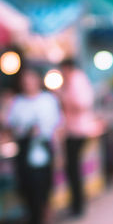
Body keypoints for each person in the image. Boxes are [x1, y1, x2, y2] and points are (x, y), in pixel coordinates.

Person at [6, 66, 61, 224]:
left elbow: (57, 128)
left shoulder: (48, 100)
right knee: (27, 189)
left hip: (44, 150)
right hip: (24, 152)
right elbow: (10, 126)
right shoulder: (17, 102)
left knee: (44, 191)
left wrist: (59, 153)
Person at [57, 59, 98, 217]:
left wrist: (62, 97)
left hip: (77, 131)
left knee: (73, 170)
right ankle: (77, 204)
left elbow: (82, 104)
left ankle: (78, 206)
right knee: (72, 169)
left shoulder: (75, 80)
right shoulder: (74, 80)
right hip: (73, 131)